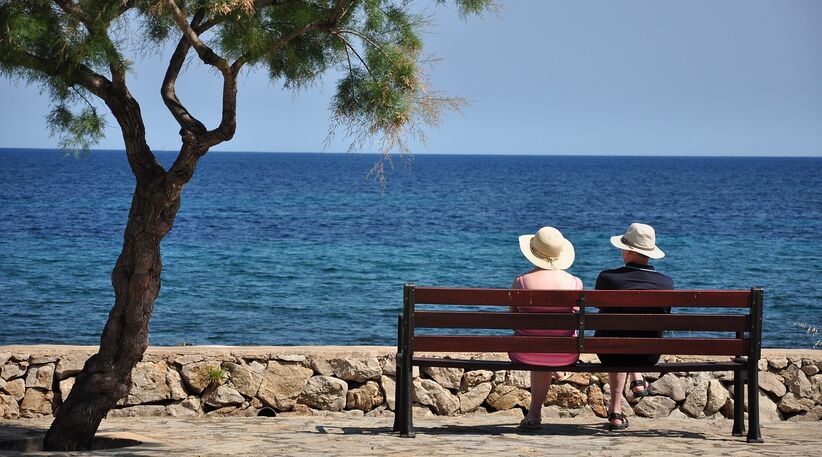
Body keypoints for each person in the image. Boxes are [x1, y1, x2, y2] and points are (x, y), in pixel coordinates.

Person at [595, 223, 673, 431]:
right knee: (634, 334)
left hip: (610, 353)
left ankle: (615, 411)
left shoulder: (607, 278)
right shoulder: (666, 284)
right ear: (649, 254)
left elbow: (600, 309)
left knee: (616, 337)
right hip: (647, 355)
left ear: (628, 250)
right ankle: (636, 377)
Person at [508, 226, 582, 430]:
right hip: (564, 355)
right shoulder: (575, 283)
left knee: (535, 342)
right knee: (547, 344)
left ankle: (534, 414)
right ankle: (534, 413)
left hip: (525, 353)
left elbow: (512, 322)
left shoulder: (520, 282)